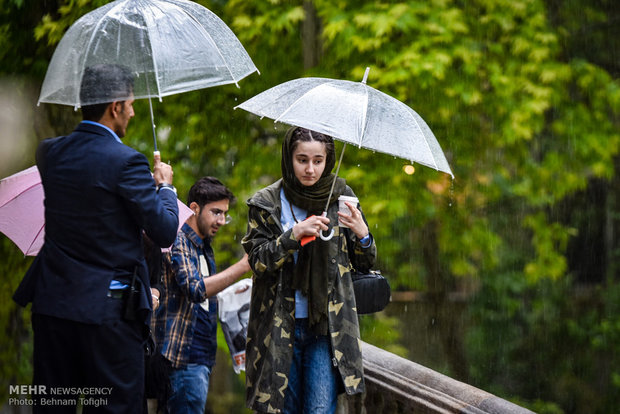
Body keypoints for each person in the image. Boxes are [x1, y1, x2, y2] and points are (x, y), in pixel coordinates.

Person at [12, 63, 179, 413]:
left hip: (53, 307)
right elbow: (163, 231)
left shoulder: (50, 153)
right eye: (131, 103)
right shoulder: (126, 162)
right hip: (108, 316)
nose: (133, 111)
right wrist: (164, 186)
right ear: (115, 106)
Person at [242, 127, 377, 413]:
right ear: (288, 158)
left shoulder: (341, 197)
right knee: (283, 409)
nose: (310, 169)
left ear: (328, 160)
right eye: (302, 160)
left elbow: (365, 262)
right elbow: (257, 262)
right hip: (278, 326)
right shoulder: (266, 203)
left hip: (325, 326)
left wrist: (363, 234)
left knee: (318, 409)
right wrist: (294, 235)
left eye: (318, 161)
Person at [152, 176, 251, 414]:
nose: (221, 220)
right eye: (216, 212)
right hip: (183, 359)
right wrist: (242, 266)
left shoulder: (203, 247)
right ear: (194, 208)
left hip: (201, 360)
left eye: (224, 214)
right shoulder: (179, 238)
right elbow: (195, 289)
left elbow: (203, 299)